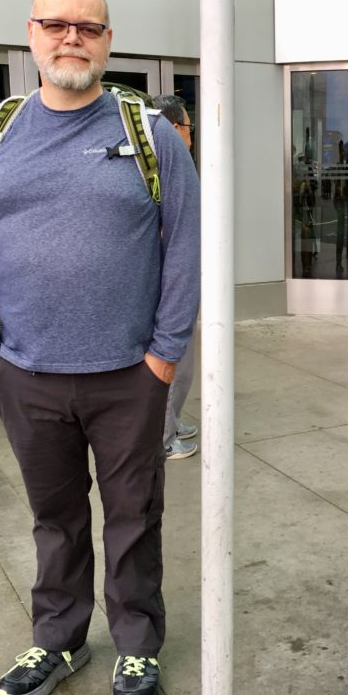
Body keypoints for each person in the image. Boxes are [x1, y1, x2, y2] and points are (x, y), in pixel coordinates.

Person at [0, 0, 200, 695]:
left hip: (130, 374)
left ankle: (137, 649)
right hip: (25, 372)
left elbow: (186, 241)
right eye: (56, 25)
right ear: (31, 34)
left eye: (87, 28)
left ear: (108, 41)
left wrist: (165, 352)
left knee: (133, 517)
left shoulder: (147, 132)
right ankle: (59, 637)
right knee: (53, 516)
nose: (71, 38)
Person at [151, 92, 199, 460]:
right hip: (165, 283)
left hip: (176, 279)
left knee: (183, 361)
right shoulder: (159, 164)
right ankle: (163, 438)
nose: (190, 135)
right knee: (172, 356)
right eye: (186, 127)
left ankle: (173, 421)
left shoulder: (175, 162)